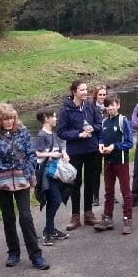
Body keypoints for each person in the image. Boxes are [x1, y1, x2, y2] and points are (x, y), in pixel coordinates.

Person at [0, 104, 49, 270]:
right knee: (8, 218)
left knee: (26, 217)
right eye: (5, 118)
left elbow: (31, 155)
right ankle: (13, 252)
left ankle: (36, 255)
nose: (9, 121)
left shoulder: (23, 132)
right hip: (1, 182)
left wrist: (27, 171)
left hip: (22, 180)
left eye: (11, 118)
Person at [56, 80, 102, 230]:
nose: (85, 92)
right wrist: (78, 134)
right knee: (75, 183)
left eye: (86, 89)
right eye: (82, 90)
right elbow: (61, 132)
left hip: (92, 150)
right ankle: (75, 216)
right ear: (74, 92)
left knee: (90, 181)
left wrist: (91, 129)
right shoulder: (65, 110)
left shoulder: (91, 106)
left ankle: (88, 213)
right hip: (75, 152)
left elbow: (99, 125)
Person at [94, 96, 134, 234]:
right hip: (108, 161)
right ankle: (107, 218)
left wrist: (114, 146)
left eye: (112, 105)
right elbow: (101, 137)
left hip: (121, 161)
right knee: (108, 192)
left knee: (125, 191)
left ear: (118, 105)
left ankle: (127, 219)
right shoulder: (104, 122)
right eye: (107, 106)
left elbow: (129, 143)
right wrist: (100, 145)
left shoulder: (123, 121)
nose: (110, 108)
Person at [34, 108, 70, 247]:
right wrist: (51, 155)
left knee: (55, 200)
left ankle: (51, 229)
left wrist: (64, 154)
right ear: (46, 118)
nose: (56, 119)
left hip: (56, 172)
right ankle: (47, 232)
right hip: (46, 174)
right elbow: (37, 153)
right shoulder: (42, 135)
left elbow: (60, 149)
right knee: (54, 200)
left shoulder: (53, 135)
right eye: (54, 117)